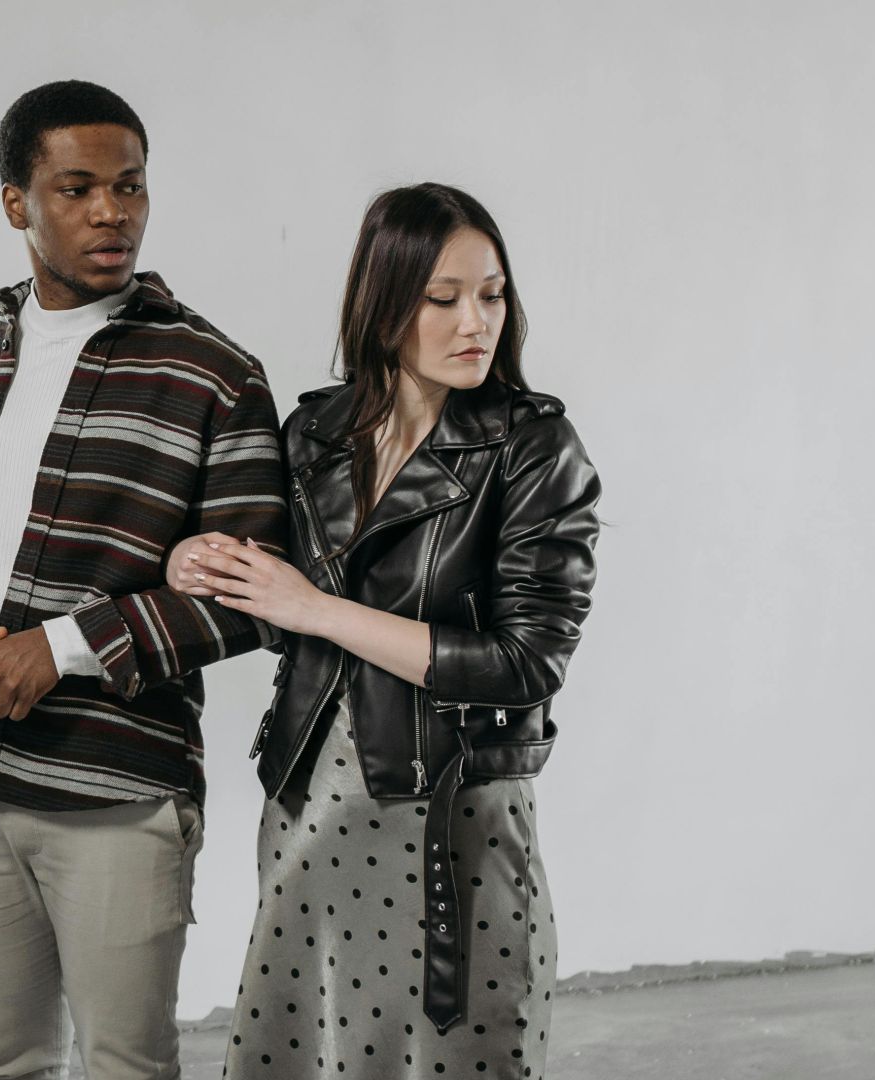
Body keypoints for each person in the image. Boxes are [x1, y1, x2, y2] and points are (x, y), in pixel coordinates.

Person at [0, 80, 288, 1080]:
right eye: (77, 188)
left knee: (123, 1067)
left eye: (131, 187)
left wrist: (59, 649)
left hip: (117, 799)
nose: (112, 212)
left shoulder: (212, 377)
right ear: (17, 201)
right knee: (6, 1060)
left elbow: (251, 594)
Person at [168, 183, 601, 1076]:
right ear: (384, 303)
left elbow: (528, 662)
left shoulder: (533, 448)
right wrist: (195, 564)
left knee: (457, 1054)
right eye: (442, 299)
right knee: (302, 1051)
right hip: (309, 804)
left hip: (452, 817)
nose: (474, 320)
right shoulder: (314, 434)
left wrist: (312, 608)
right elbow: (272, 604)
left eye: (492, 293)